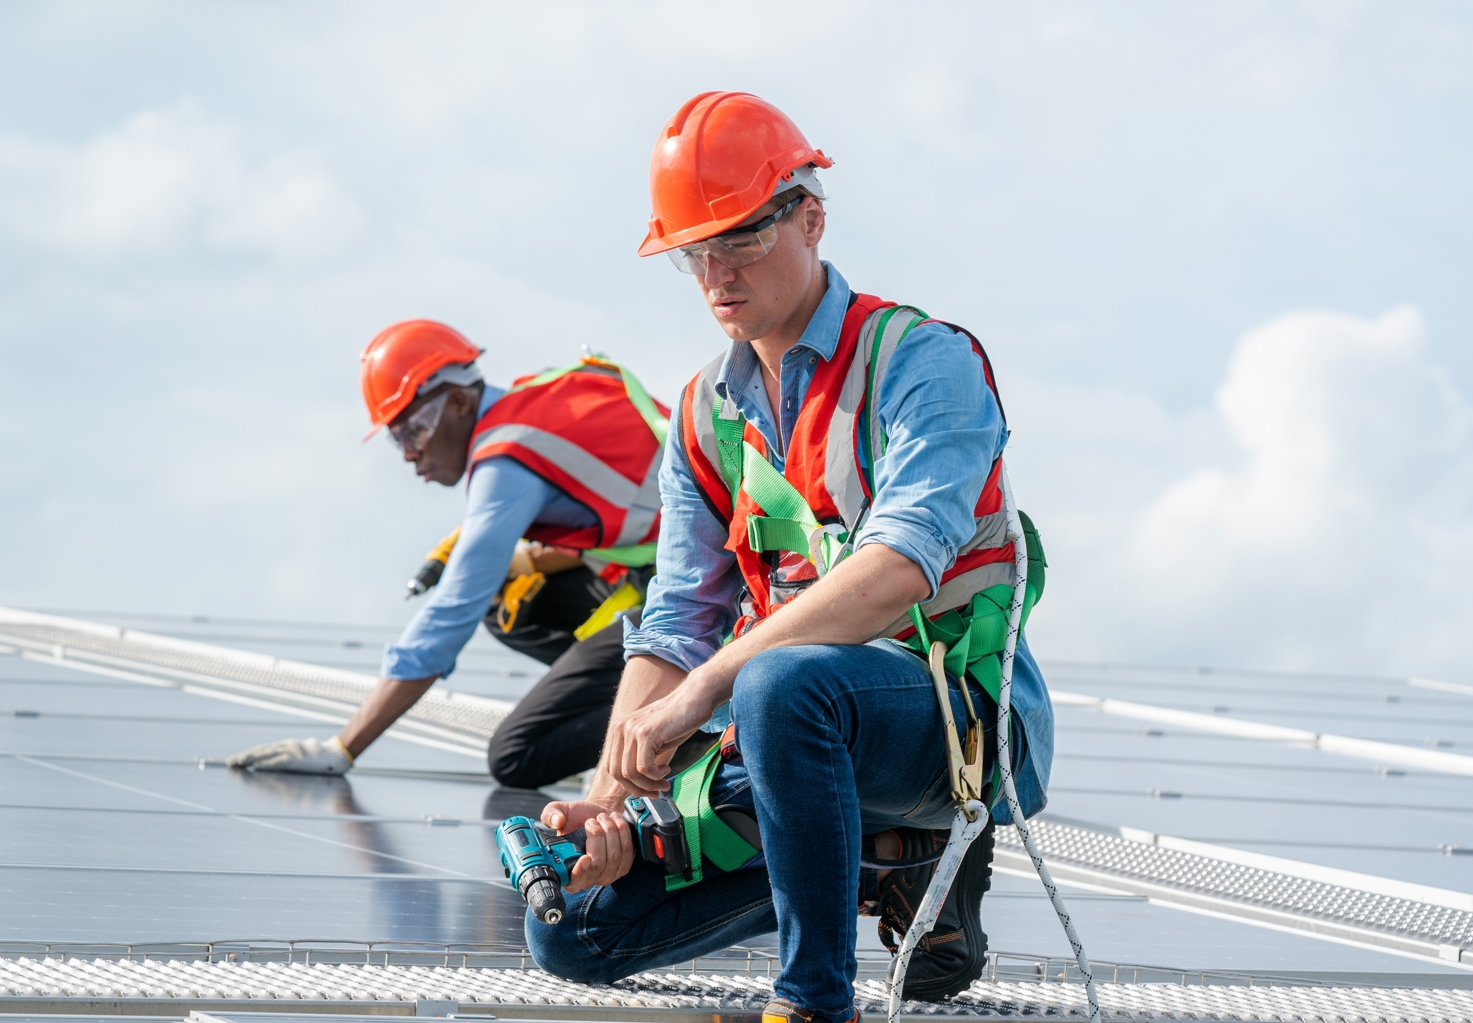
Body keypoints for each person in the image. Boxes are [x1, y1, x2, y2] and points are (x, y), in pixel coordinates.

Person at [524, 92, 1054, 1023]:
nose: (717, 274)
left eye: (741, 239)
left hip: (956, 718)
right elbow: (680, 613)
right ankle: (886, 860)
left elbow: (897, 567)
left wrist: (704, 690)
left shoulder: (920, 363)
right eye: (694, 252)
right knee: (570, 930)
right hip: (795, 729)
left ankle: (814, 1001)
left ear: (810, 218)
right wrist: (603, 802)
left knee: (776, 686)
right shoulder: (703, 415)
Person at [227, 321, 669, 789]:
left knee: (519, 755)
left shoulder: (506, 461)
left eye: (412, 431)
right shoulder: (534, 398)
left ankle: (689, 720)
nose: (408, 454)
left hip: (703, 597)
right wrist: (522, 560)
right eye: (397, 438)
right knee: (512, 605)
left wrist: (343, 746)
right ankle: (636, 691)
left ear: (459, 401)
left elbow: (452, 610)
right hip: (696, 572)